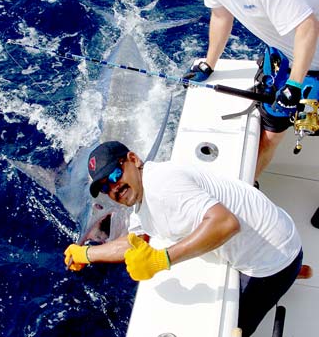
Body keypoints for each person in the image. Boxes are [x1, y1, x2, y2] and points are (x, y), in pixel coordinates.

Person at [64, 140, 303, 337]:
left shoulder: (163, 185)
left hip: (272, 262)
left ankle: (292, 272)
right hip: (271, 236)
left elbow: (226, 223)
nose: (114, 187)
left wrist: (162, 260)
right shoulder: (144, 196)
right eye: (106, 188)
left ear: (134, 159)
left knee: (228, 328)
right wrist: (86, 253)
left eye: (115, 174)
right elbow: (132, 241)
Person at [179, 0, 319, 180]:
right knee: (268, 134)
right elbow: (220, 15)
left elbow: (308, 26)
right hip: (288, 56)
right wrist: (209, 64)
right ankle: (243, 196)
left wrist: (294, 85)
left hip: (312, 59)